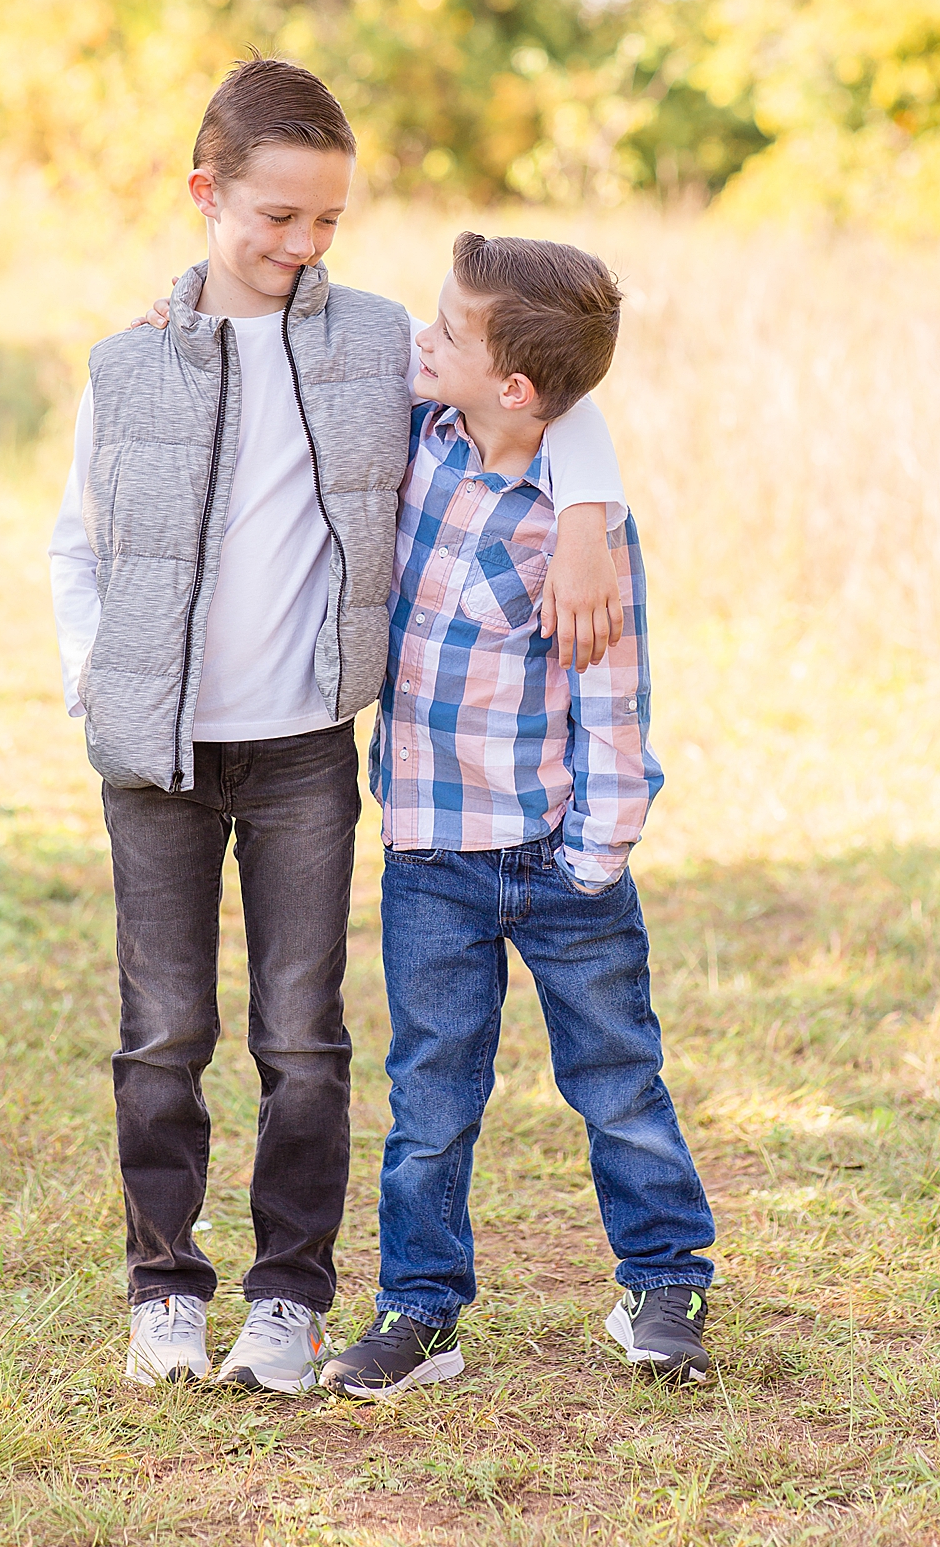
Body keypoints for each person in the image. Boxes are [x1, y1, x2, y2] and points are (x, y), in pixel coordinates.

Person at [48, 58, 628, 1394]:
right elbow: (75, 541)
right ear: (207, 194)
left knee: (302, 1038)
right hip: (157, 756)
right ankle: (163, 1292)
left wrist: (589, 511)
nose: (304, 243)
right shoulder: (128, 363)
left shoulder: (373, 343)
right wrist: (96, 678)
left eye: (328, 219)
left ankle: (288, 1300)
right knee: (163, 1035)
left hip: (306, 747)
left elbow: (541, 384)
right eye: (279, 216)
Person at [319, 231, 715, 1400]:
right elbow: (331, 345)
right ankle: (419, 1310)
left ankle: (665, 1282)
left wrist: (596, 854)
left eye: (449, 328)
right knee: (431, 1097)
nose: (423, 337)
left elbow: (615, 699)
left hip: (556, 855)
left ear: (519, 387)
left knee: (618, 1078)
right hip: (428, 851)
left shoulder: (579, 533)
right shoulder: (424, 433)